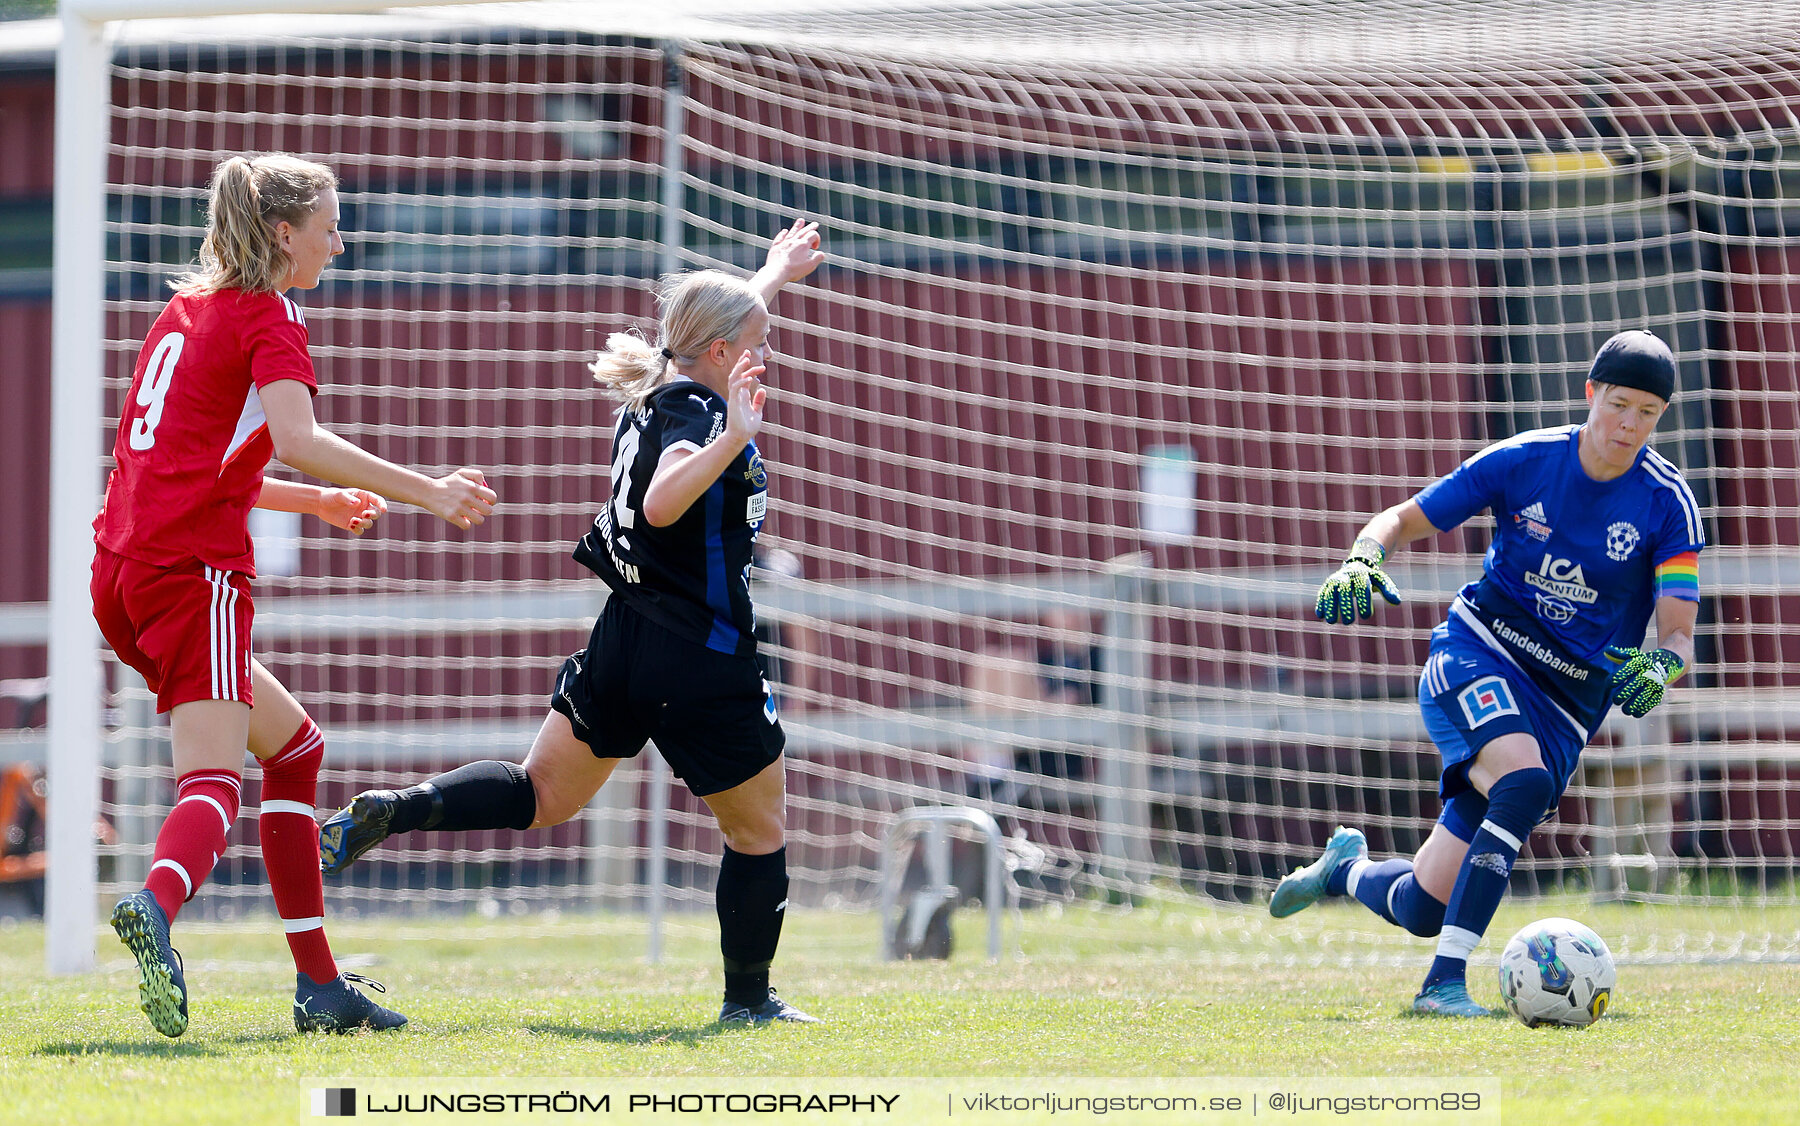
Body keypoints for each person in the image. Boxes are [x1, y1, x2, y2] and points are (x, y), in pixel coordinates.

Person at [318, 220, 828, 1026]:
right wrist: (735, 435)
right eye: (759, 345)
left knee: (542, 793)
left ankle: (402, 806)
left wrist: (771, 275)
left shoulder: (663, 386)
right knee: (759, 831)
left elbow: (714, 331)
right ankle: (748, 1002)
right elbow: (663, 502)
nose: (766, 357)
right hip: (701, 648)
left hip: (622, 638)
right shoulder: (703, 410)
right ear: (725, 355)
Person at [91, 153, 498, 1038]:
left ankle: (320, 987)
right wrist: (427, 488)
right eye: (329, 226)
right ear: (285, 234)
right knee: (212, 781)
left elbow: (194, 464)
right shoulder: (268, 315)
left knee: (297, 751)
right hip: (190, 573)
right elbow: (299, 436)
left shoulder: (185, 310)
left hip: (122, 571)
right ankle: (156, 906)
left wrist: (312, 502)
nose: (339, 244)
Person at [1268, 330, 1703, 1017]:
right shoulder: (1525, 461)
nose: (1630, 424)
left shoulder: (1667, 503)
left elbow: (1678, 634)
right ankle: (1442, 987)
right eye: (1619, 404)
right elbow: (1403, 519)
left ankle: (1342, 868)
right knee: (1524, 782)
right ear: (1591, 394)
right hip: (1477, 653)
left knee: (1421, 904)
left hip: (1566, 708)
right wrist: (1362, 557)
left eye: (1648, 413)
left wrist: (1661, 664)